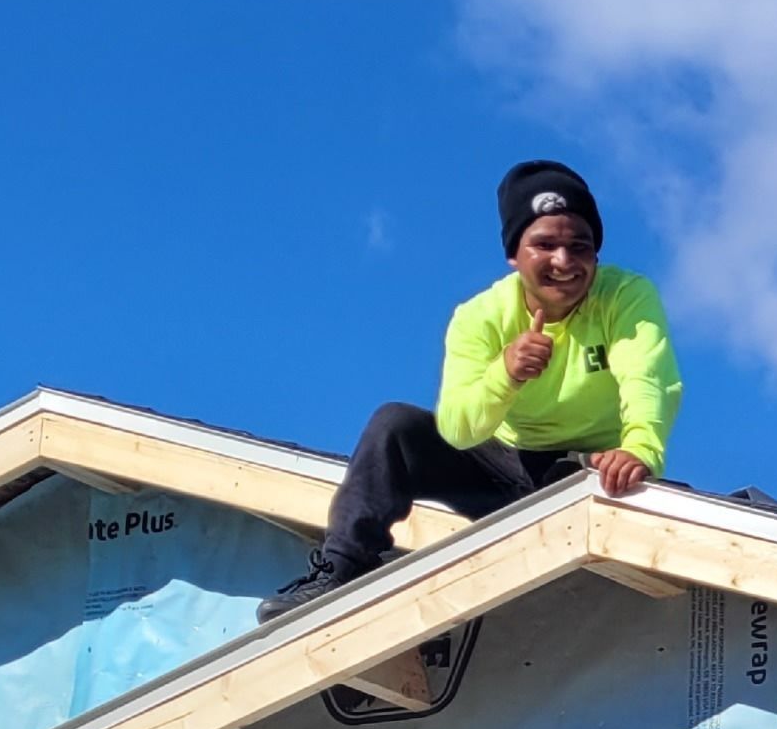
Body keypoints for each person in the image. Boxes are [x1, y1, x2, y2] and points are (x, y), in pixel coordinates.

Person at [258, 160, 685, 623]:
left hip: (584, 468)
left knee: (586, 481)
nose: (564, 262)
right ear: (514, 255)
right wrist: (506, 372)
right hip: (498, 462)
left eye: (578, 247)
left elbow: (648, 375)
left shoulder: (625, 295)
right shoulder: (479, 317)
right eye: (544, 245)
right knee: (394, 424)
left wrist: (640, 448)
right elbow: (458, 428)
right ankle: (341, 570)